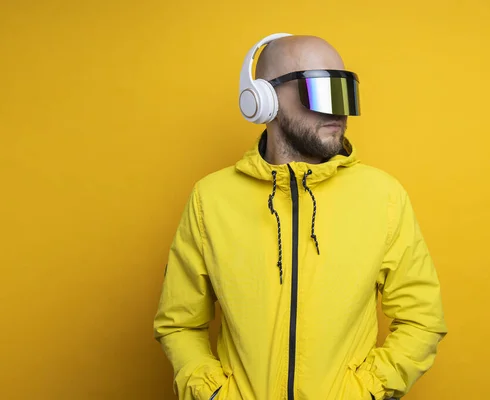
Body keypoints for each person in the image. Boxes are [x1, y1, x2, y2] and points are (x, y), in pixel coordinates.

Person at [153, 33, 448, 400]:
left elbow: (422, 319)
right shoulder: (210, 200)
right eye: (321, 90)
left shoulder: (383, 196)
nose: (337, 111)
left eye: (345, 92)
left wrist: (367, 391)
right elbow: (178, 323)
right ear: (263, 99)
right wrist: (212, 393)